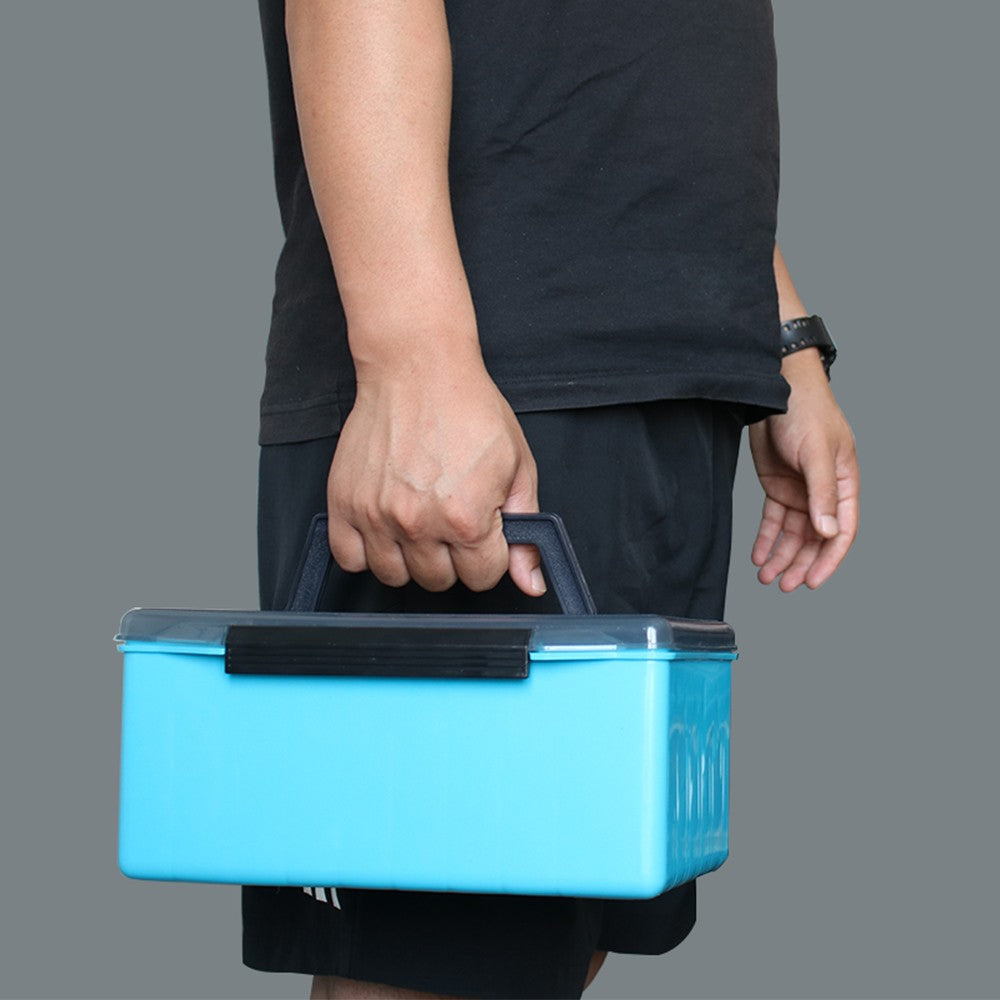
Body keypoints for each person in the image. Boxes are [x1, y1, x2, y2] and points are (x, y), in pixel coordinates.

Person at [245, 1, 859, 997]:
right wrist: (413, 357)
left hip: (667, 374)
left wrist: (780, 339)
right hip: (488, 372)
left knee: (562, 929)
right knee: (437, 964)